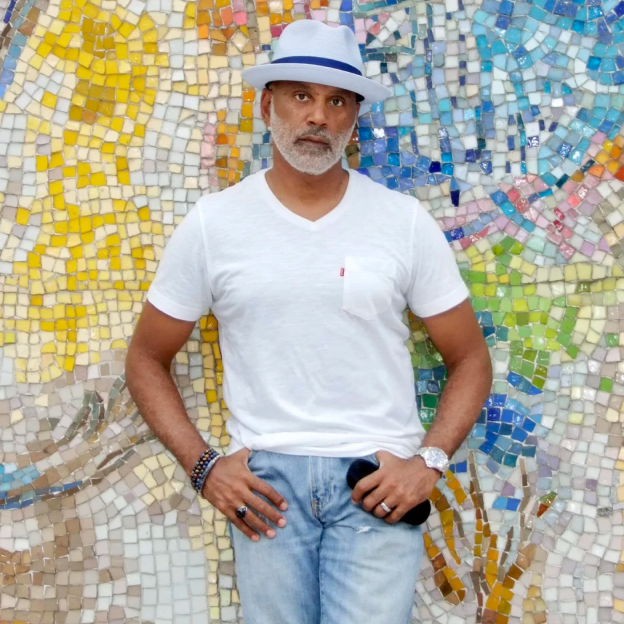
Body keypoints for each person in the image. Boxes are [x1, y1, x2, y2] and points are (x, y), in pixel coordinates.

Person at [126, 19, 493, 624]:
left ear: (353, 119)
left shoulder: (401, 222)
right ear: (268, 104)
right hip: (266, 489)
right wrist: (203, 467)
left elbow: (470, 359)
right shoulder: (214, 225)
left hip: (377, 482)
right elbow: (145, 359)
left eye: (337, 101)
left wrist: (427, 462)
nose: (318, 116)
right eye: (302, 96)